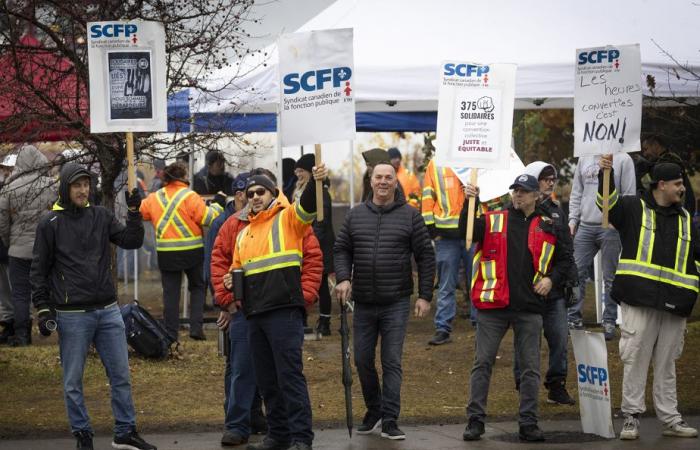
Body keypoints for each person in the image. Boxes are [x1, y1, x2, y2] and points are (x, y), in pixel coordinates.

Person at [30, 163, 156, 450]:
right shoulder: (49, 223)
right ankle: (83, 435)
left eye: (86, 185)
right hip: (72, 314)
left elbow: (132, 241)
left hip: (108, 310)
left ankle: (125, 432)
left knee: (121, 375)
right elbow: (38, 271)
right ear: (65, 187)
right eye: (77, 185)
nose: (83, 190)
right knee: (73, 380)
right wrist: (43, 308)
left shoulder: (101, 215)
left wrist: (135, 212)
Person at [212, 168, 324, 447]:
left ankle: (301, 438)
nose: (255, 197)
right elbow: (236, 273)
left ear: (273, 193)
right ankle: (278, 435)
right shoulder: (243, 233)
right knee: (267, 382)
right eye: (250, 194)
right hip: (254, 315)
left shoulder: (288, 218)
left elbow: (308, 207)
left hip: (284, 311)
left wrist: (315, 182)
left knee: (289, 377)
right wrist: (229, 281)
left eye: (260, 191)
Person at [461, 174, 568, 443]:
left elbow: (566, 260)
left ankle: (528, 423)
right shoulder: (494, 218)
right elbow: (467, 232)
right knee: (482, 363)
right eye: (515, 191)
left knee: (530, 368)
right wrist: (469, 202)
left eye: (524, 191)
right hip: (493, 305)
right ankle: (475, 421)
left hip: (530, 307)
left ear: (536, 195)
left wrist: (551, 279)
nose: (518, 195)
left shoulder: (550, 223)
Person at [597, 157, 699, 440]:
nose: (682, 189)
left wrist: (692, 286)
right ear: (661, 185)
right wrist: (607, 173)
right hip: (639, 299)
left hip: (676, 303)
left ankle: (670, 419)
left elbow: (696, 257)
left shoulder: (687, 217)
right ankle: (631, 417)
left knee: (668, 363)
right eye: (677, 184)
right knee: (635, 358)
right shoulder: (633, 208)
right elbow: (606, 205)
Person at [334, 162, 435, 441]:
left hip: (396, 302)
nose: (383, 182)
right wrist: (343, 278)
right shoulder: (355, 216)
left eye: (388, 178)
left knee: (391, 361)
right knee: (362, 360)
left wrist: (425, 295)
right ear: (370, 180)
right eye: (378, 177)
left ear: (395, 182)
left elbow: (426, 256)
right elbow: (341, 248)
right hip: (364, 302)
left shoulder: (410, 216)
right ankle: (374, 408)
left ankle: (390, 418)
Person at [140, 161, 221, 341]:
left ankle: (171, 334)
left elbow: (142, 212)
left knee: (171, 293)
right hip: (192, 251)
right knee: (198, 287)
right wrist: (218, 205)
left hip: (166, 253)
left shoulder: (154, 197)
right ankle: (196, 328)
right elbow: (208, 218)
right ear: (183, 176)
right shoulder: (190, 196)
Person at [517, 161, 577, 405]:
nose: (550, 182)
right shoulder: (515, 210)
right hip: (525, 292)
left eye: (553, 178)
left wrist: (555, 281)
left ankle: (556, 385)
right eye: (545, 178)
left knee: (559, 339)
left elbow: (566, 253)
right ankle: (523, 386)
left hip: (553, 291)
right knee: (524, 342)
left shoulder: (556, 211)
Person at [567, 153, 636, 339]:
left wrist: (620, 221)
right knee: (575, 272)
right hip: (586, 225)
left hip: (611, 228)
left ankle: (609, 321)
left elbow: (629, 195)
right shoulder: (584, 157)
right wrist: (573, 219)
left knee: (610, 277)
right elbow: (577, 192)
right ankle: (573, 318)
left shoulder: (623, 159)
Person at [0, 144, 56, 346]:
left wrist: (10, 242)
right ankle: (47, 324)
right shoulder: (51, 185)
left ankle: (22, 335)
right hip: (45, 250)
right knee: (46, 289)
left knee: (20, 294)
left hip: (18, 251)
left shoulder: (10, 187)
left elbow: (3, 221)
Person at [422, 158, 466, 345]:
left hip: (476, 230)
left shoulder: (477, 158)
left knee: (477, 282)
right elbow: (427, 196)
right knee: (446, 283)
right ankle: (443, 327)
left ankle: (481, 324)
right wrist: (432, 229)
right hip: (446, 235)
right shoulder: (436, 163)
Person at [293, 154, 335, 336]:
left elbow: (321, 221)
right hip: (303, 243)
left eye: (301, 171)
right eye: (296, 171)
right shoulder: (298, 192)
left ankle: (325, 321)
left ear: (311, 173)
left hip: (318, 245)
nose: (298, 174)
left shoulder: (321, 193)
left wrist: (309, 241)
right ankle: (303, 317)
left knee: (321, 284)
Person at [635, 134, 696, 215]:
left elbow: (653, 189)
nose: (645, 154)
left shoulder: (669, 162)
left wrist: (643, 171)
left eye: (646, 149)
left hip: (674, 213)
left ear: (655, 145)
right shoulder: (668, 159)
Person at [0, 154, 16, 344]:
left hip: (13, 246)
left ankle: (16, 324)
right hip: (5, 247)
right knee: (4, 290)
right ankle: (8, 322)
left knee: (16, 289)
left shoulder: (13, 189)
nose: (5, 171)